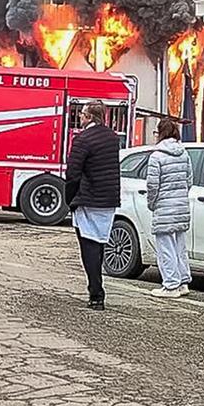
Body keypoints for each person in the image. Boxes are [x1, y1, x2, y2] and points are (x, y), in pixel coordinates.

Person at [65, 102, 121, 310]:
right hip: (108, 199)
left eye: (82, 115)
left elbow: (72, 173)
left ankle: (96, 294)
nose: (80, 118)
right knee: (99, 244)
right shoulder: (113, 138)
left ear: (88, 117)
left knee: (88, 246)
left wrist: (69, 199)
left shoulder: (83, 139)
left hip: (88, 199)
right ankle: (97, 289)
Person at [145, 116, 192, 298]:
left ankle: (170, 284)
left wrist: (152, 203)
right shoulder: (184, 153)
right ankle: (183, 281)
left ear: (160, 133)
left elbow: (152, 185)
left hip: (164, 207)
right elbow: (189, 180)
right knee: (180, 245)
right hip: (181, 206)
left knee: (165, 246)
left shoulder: (156, 156)